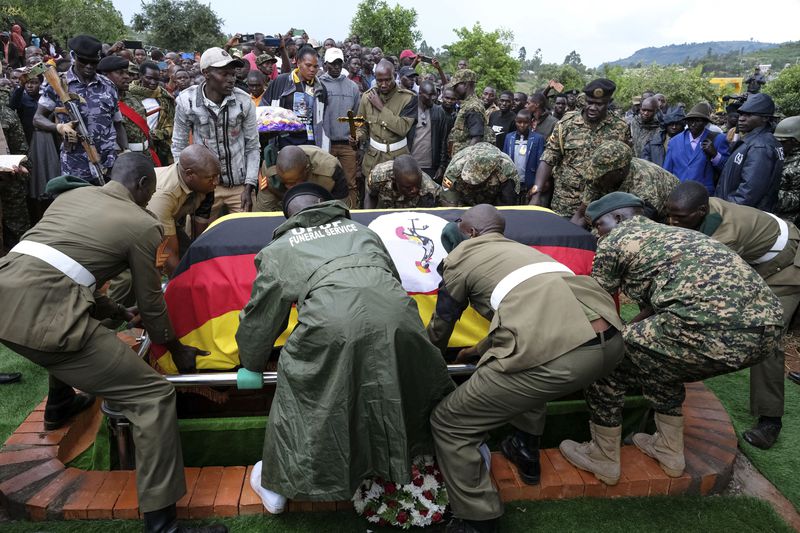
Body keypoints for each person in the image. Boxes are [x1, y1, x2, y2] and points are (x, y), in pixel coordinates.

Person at [0, 152, 224, 533]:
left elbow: (62, 266)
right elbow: (152, 303)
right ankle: (163, 524)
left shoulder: (71, 197)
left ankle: (60, 405)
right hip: (45, 316)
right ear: (142, 186)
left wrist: (120, 313)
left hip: (8, 294)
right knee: (152, 396)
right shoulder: (143, 223)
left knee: (76, 331)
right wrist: (173, 347)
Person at [237, 183, 454, 513]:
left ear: (289, 218)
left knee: (305, 401)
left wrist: (251, 363)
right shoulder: (361, 231)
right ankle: (458, 453)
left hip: (331, 327)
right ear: (325, 205)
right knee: (407, 390)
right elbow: (391, 279)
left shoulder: (278, 250)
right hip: (399, 320)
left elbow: (262, 319)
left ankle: (275, 486)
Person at [560, 192, 783, 486]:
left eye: (598, 225)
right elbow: (659, 305)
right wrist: (634, 333)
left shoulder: (615, 241)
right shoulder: (677, 235)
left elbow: (597, 299)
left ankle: (603, 458)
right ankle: (668, 451)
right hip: (768, 330)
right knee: (658, 359)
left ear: (617, 219)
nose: (596, 233)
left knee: (608, 360)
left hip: (707, 329)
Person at [430, 204, 624, 533]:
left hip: (561, 353)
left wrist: (427, 362)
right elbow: (532, 317)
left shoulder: (462, 256)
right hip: (610, 342)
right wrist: (478, 350)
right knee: (525, 367)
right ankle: (525, 450)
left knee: (450, 423)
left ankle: (478, 520)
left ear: (469, 234)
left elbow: (441, 327)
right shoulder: (524, 252)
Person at [666, 181, 800, 449]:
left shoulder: (725, 237)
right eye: (670, 215)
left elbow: (699, 288)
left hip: (786, 270)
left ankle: (770, 420)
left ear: (701, 211)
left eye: (679, 218)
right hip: (756, 260)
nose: (672, 222)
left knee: (766, 339)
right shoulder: (694, 209)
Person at [173, 47, 259, 215]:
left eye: (233, 74)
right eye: (224, 74)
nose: (231, 79)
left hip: (240, 187)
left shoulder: (244, 101)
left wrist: (249, 187)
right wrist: (188, 187)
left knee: (248, 235)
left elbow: (253, 146)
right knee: (202, 237)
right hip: (204, 189)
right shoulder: (187, 102)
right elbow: (179, 147)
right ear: (206, 73)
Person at [529, 78, 631, 216]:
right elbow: (549, 156)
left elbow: (625, 165)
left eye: (599, 104)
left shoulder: (620, 127)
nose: (593, 108)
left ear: (608, 103)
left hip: (602, 205)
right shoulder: (567, 124)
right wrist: (537, 192)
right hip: (566, 203)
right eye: (590, 102)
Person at [34, 34, 127, 184]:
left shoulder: (108, 86)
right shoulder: (58, 84)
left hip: (108, 163)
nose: (89, 66)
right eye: (84, 61)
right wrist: (59, 127)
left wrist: (126, 151)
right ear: (73, 56)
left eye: (94, 62)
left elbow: (117, 122)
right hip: (75, 165)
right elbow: (37, 119)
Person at [145, 144, 220, 275]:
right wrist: (182, 286)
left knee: (190, 257)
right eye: (211, 178)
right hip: (141, 226)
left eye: (217, 176)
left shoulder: (204, 182)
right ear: (190, 174)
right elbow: (169, 252)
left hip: (170, 218)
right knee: (155, 267)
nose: (216, 182)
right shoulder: (164, 194)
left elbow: (198, 240)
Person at [575, 140, 679, 225]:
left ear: (620, 171)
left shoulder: (645, 186)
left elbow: (634, 226)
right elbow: (581, 215)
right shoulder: (597, 176)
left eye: (601, 176)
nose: (595, 180)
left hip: (665, 218)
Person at [715, 93, 784, 212]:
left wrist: (726, 212)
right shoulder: (755, 141)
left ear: (765, 118)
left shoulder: (760, 147)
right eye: (741, 114)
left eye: (749, 115)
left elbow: (748, 193)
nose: (741, 118)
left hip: (740, 216)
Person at [353, 59, 417, 180]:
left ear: (395, 76)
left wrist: (381, 108)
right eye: (379, 80)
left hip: (398, 159)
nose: (383, 84)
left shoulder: (408, 98)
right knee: (370, 196)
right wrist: (357, 137)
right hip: (373, 159)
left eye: (387, 80)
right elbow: (361, 126)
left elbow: (402, 128)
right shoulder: (367, 97)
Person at [319, 47, 360, 208]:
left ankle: (353, 214)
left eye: (338, 63)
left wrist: (356, 138)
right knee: (325, 181)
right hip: (326, 144)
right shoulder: (319, 84)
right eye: (332, 63)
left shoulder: (352, 87)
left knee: (350, 184)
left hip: (347, 144)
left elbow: (357, 116)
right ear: (326, 64)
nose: (335, 67)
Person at [266, 46, 327, 150]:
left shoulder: (320, 88)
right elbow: (266, 107)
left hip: (310, 140)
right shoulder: (282, 81)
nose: (312, 70)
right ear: (298, 63)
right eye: (308, 65)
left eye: (315, 66)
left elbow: (323, 117)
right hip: (285, 140)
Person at [254, 144, 348, 211]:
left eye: (294, 182)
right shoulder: (270, 170)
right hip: (282, 200)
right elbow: (263, 210)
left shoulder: (331, 169)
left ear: (306, 170)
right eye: (285, 183)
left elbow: (342, 209)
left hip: (322, 202)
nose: (291, 187)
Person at [662, 102, 730, 194]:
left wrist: (715, 155)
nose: (693, 124)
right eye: (690, 121)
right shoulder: (675, 141)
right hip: (678, 193)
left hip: (703, 195)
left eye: (697, 121)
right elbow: (667, 171)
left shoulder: (717, 139)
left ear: (705, 122)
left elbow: (728, 169)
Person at [97, 57, 154, 163]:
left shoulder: (132, 97)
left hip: (145, 155)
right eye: (120, 73)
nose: (127, 76)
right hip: (121, 158)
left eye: (127, 73)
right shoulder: (99, 102)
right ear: (104, 76)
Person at [440, 142, 521, 206]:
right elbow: (447, 193)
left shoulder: (507, 169)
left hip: (493, 201)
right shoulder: (455, 168)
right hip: (464, 198)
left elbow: (507, 204)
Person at [0, 88, 30, 254]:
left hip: (9, 176)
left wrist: (23, 170)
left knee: (18, 226)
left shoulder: (7, 115)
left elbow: (21, 147)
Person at [365, 154, 440, 208]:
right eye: (408, 188)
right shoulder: (378, 176)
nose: (414, 190)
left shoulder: (429, 188)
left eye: (417, 185)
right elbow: (371, 195)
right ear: (394, 180)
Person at [408, 80, 449, 182]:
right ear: (420, 94)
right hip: (410, 164)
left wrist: (442, 166)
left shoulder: (439, 112)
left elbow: (444, 141)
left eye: (434, 94)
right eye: (430, 95)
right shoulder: (409, 109)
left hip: (431, 167)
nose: (434, 98)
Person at [447, 69, 494, 157]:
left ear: (465, 85)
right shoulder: (468, 104)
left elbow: (476, 139)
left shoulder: (473, 107)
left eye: (456, 86)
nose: (454, 90)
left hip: (465, 162)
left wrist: (464, 161)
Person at [502, 109, 545, 199]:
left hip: (529, 182)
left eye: (525, 122)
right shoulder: (509, 137)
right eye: (519, 122)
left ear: (530, 122)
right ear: (515, 122)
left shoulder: (538, 138)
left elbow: (540, 162)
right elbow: (504, 159)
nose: (522, 125)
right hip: (511, 183)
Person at [774, 116, 800, 225]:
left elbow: (797, 198)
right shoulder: (783, 154)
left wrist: (771, 193)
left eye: (783, 142)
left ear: (796, 141)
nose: (779, 144)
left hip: (789, 223)